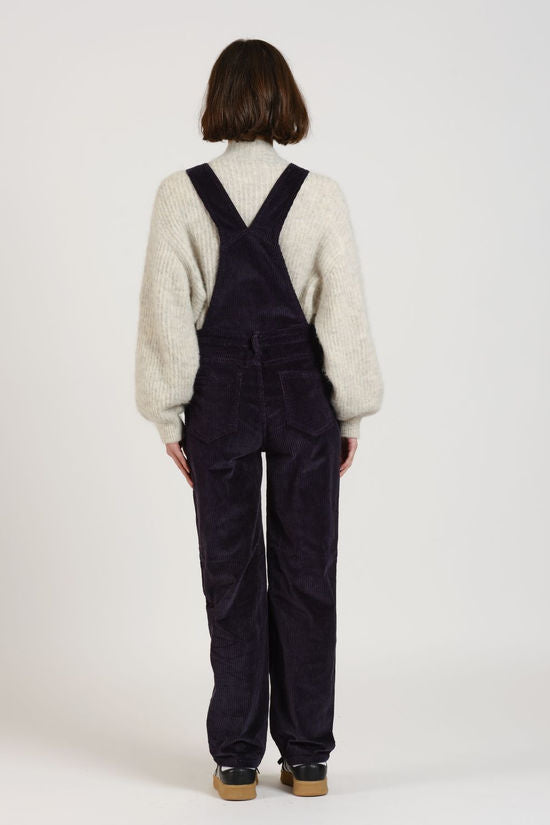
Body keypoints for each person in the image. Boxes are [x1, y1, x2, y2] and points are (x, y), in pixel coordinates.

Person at [135, 38, 383, 801]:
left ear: (218, 100)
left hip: (220, 399)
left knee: (231, 575)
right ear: (285, 101)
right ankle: (307, 759)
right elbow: (342, 313)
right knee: (308, 574)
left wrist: (169, 417)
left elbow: (167, 315)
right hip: (304, 395)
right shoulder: (321, 195)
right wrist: (350, 411)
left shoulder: (179, 194)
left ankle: (238, 759)